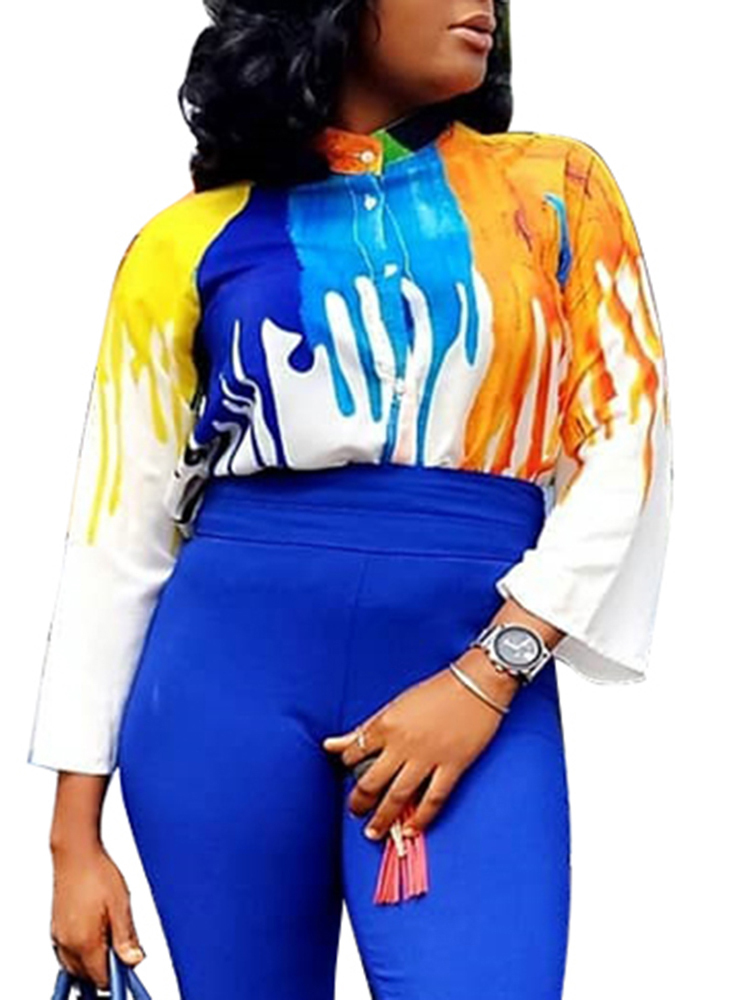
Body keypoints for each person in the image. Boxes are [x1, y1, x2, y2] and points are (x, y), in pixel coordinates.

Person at [27, 1, 673, 997]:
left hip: (473, 666)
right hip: (220, 690)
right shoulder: (185, 241)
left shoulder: (556, 191)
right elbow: (115, 534)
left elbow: (626, 445)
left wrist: (487, 675)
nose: (483, 3)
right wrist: (74, 840)